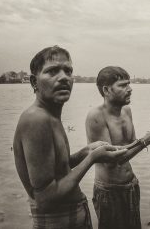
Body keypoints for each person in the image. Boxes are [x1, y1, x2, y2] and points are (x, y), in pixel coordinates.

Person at [13, 46, 128, 229]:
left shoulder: (50, 116)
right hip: (57, 221)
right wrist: (92, 159)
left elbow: (58, 169)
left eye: (68, 70)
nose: (64, 77)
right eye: (52, 71)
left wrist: (85, 152)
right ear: (34, 81)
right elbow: (45, 199)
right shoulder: (36, 119)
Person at [85, 66, 150, 229]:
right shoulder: (96, 116)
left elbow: (132, 144)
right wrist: (146, 140)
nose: (130, 89)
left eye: (129, 84)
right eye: (123, 85)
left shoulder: (126, 110)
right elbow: (111, 160)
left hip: (131, 184)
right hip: (109, 190)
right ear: (106, 90)